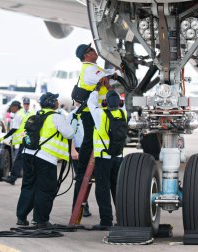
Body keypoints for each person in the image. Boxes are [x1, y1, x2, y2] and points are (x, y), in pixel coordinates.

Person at [16, 92, 77, 226]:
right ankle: (40, 220)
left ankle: (21, 217)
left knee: (28, 186)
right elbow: (70, 133)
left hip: (28, 155)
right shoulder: (56, 117)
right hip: (45, 158)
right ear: (51, 103)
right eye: (55, 100)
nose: (57, 102)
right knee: (46, 189)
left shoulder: (33, 116)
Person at [72, 43, 120, 209]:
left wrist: (115, 73)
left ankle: (85, 163)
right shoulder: (91, 69)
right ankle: (85, 161)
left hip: (93, 111)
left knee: (91, 137)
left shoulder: (91, 68)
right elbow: (105, 77)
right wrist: (117, 73)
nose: (94, 52)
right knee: (89, 139)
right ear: (86, 55)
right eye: (91, 50)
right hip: (91, 111)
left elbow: (107, 75)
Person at [87, 88, 127, 230]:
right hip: (118, 157)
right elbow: (124, 102)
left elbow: (90, 103)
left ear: (106, 102)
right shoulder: (123, 113)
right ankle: (123, 219)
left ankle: (106, 221)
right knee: (117, 188)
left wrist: (97, 89)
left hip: (103, 157)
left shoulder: (100, 114)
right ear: (119, 103)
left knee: (102, 189)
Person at [0, 99, 33, 185]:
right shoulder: (27, 113)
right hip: (29, 138)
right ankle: (28, 178)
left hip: (24, 139)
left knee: (19, 159)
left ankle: (12, 178)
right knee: (27, 159)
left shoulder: (18, 114)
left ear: (15, 107)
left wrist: (4, 137)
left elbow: (14, 129)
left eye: (11, 107)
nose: (11, 109)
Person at [67, 104, 92, 217]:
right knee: (81, 180)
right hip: (78, 150)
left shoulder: (94, 111)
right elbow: (69, 135)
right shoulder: (72, 115)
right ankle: (79, 208)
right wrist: (72, 150)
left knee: (91, 181)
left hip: (92, 149)